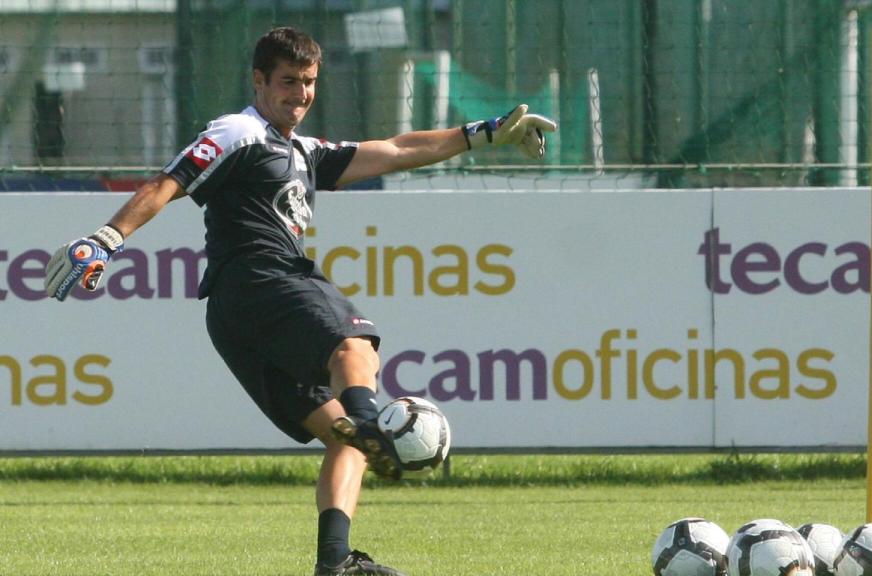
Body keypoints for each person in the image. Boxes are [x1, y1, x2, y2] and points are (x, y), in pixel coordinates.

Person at [43, 26, 556, 576]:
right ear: (259, 81)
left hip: (235, 316)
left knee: (344, 441)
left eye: (309, 82)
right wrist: (107, 238)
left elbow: (394, 150)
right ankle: (370, 422)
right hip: (262, 279)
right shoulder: (237, 131)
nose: (301, 94)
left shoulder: (303, 151)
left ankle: (335, 561)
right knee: (354, 345)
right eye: (288, 82)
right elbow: (169, 183)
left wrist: (481, 134)